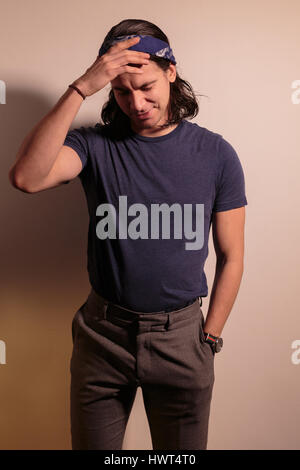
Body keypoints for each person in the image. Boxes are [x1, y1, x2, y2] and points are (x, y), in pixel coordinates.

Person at [8, 19, 248, 450]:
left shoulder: (216, 154)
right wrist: (80, 87)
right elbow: (26, 177)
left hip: (182, 338)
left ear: (171, 72)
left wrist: (209, 337)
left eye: (146, 86)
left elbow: (232, 255)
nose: (135, 102)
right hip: (103, 336)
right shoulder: (94, 146)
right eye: (120, 91)